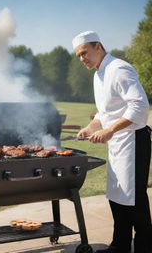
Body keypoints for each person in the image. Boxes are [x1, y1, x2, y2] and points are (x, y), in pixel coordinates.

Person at [72, 31, 152, 253]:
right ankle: (120, 245)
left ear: (98, 46)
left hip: (134, 140)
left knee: (134, 199)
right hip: (118, 143)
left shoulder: (119, 69)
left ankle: (145, 246)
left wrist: (109, 130)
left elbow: (139, 106)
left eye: (84, 53)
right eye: (78, 56)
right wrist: (92, 127)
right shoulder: (98, 74)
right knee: (117, 195)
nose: (82, 59)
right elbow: (106, 111)